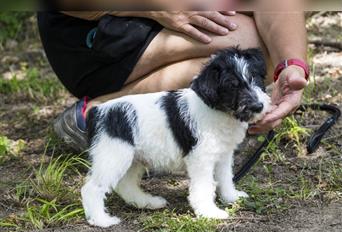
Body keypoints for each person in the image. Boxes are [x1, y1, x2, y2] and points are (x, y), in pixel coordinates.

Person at [37, 6, 309, 152]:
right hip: (89, 29)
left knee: (260, 51)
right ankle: (100, 115)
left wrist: (291, 64)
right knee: (245, 40)